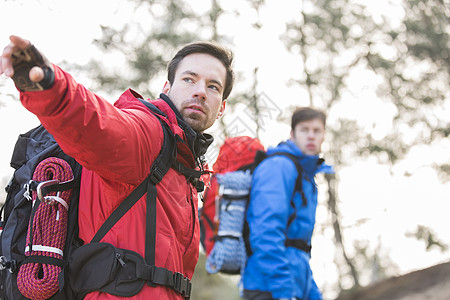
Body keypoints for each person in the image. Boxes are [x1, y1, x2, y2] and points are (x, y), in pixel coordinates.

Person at [0, 35, 234, 299]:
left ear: (222, 108)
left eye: (213, 86)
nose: (200, 91)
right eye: (189, 79)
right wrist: (50, 84)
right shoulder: (150, 134)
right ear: (166, 88)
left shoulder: (188, 169)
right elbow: (99, 125)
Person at [242, 107, 333, 300]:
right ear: (292, 134)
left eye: (316, 131)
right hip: (268, 288)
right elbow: (265, 231)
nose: (311, 136)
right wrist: (282, 290)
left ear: (324, 136)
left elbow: (298, 250)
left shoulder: (306, 175)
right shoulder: (279, 167)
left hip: (295, 285)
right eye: (304, 130)